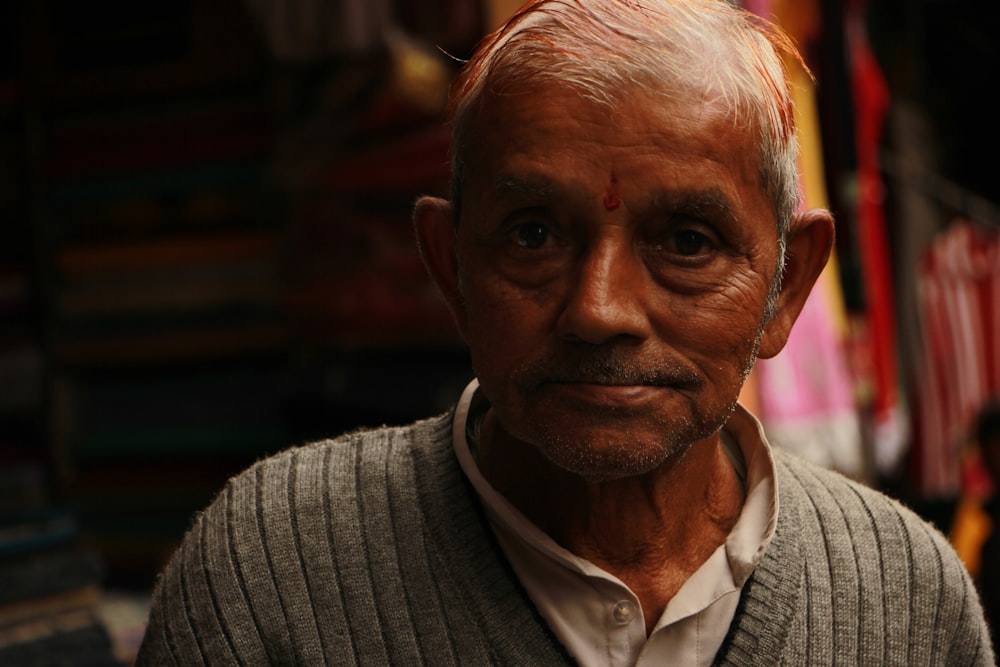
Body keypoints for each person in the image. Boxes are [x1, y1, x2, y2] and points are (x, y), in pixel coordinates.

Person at [137, 0, 994, 664]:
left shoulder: (907, 597)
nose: (600, 309)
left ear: (787, 286)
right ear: (450, 267)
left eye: (688, 243)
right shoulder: (267, 576)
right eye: (534, 234)